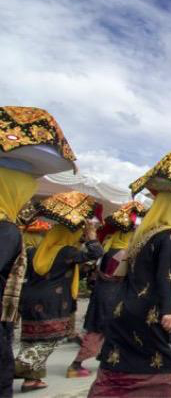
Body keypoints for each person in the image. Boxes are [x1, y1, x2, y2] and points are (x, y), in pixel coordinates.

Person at [90, 150, 171, 397]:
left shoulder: (144, 234)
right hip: (151, 311)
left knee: (120, 362)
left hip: (125, 308)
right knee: (160, 366)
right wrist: (169, 310)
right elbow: (165, 276)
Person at [0, 106, 77, 396]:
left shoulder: (40, 245)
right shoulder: (7, 231)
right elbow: (89, 253)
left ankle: (25, 369)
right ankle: (29, 374)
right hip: (50, 302)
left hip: (31, 300)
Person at [14, 192, 102, 392]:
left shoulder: (36, 251)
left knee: (31, 340)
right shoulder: (66, 252)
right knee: (48, 341)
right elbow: (96, 253)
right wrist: (91, 237)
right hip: (52, 301)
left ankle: (31, 380)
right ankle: (15, 367)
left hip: (29, 299)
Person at [68, 201, 146, 378]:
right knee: (100, 330)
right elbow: (120, 275)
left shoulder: (110, 248)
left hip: (103, 293)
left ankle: (106, 358)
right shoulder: (122, 253)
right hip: (111, 295)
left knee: (105, 330)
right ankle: (76, 364)